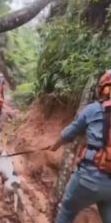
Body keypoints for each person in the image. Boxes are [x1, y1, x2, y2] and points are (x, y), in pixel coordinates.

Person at [49, 69, 111, 223]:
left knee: (67, 211)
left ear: (104, 89)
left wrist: (55, 146)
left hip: (88, 178)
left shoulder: (94, 110)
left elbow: (69, 134)